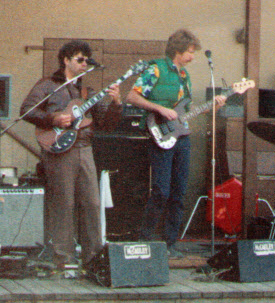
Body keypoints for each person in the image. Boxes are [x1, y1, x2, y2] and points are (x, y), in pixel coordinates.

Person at [21, 40, 122, 268]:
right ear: (66, 60)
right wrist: (53, 119)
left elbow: (106, 123)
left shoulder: (87, 91)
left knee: (92, 204)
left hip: (84, 149)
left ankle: (93, 259)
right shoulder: (48, 85)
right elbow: (26, 110)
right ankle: (63, 260)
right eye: (80, 59)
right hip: (59, 151)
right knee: (63, 204)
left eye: (87, 60)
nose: (85, 63)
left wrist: (116, 103)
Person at [126, 29, 226, 258]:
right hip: (159, 135)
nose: (193, 56)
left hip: (182, 137)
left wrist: (214, 106)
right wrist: (159, 108)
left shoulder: (185, 76)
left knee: (179, 192)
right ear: (178, 51)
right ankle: (146, 238)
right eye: (190, 52)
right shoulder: (156, 69)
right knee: (161, 189)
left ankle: (170, 243)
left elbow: (186, 112)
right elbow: (131, 96)